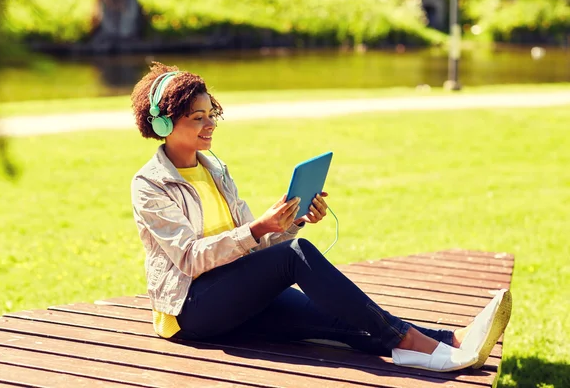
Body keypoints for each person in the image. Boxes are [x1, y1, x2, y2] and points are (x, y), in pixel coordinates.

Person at [130, 62, 512, 373]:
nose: (210, 124)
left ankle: (451, 340)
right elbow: (191, 258)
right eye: (198, 118)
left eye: (212, 114)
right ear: (164, 123)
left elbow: (255, 246)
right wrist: (260, 227)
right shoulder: (151, 184)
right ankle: (416, 345)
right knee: (295, 254)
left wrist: (291, 221)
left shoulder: (214, 168)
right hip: (190, 312)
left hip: (237, 296)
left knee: (339, 318)